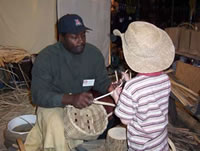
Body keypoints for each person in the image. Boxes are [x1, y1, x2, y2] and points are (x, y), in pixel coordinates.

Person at [24, 14, 115, 151]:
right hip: (53, 104)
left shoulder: (93, 54)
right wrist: (71, 99)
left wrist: (110, 87)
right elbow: (38, 95)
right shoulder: (47, 57)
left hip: (81, 103)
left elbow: (100, 81)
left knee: (108, 114)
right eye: (74, 37)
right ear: (61, 37)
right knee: (56, 124)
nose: (81, 41)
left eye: (83, 35)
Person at [111, 21, 175, 151]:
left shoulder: (132, 88)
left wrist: (116, 96)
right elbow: (149, 94)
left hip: (142, 146)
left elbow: (125, 120)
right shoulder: (165, 79)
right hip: (160, 143)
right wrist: (130, 82)